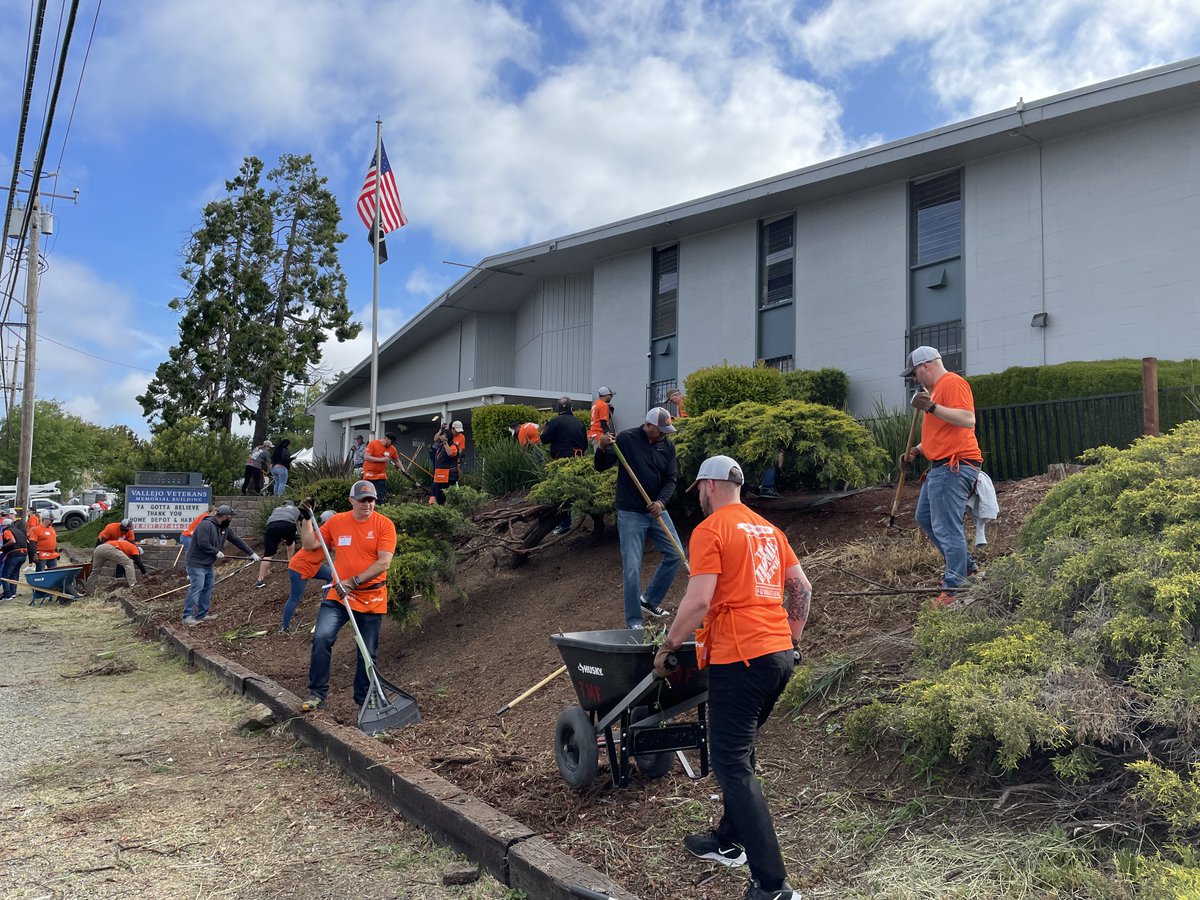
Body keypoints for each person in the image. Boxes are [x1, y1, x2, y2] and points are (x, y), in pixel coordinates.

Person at [653, 454, 811, 900]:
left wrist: (668, 648)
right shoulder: (770, 530)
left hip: (739, 658)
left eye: (699, 489)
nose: (699, 498)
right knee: (739, 753)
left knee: (731, 764)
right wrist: (790, 641)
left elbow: (699, 600)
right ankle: (729, 842)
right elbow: (801, 588)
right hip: (777, 653)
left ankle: (773, 885)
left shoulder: (711, 530)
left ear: (710, 486)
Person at [300, 480, 397, 711]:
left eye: (371, 499)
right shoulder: (337, 521)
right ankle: (317, 694)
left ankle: (364, 700)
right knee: (322, 638)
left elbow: (384, 562)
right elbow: (309, 543)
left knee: (367, 653)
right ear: (351, 500)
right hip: (339, 597)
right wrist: (304, 517)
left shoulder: (384, 525)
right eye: (362, 500)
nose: (368, 504)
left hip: (370, 598)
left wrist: (354, 581)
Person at [900, 346, 983, 607]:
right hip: (940, 466)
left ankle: (955, 587)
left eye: (915, 373)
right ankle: (965, 568)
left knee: (947, 528)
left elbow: (967, 420)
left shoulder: (952, 383)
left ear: (925, 366)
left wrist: (933, 407)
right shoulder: (935, 391)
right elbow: (943, 432)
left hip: (953, 467)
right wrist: (916, 450)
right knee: (924, 517)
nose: (915, 379)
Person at [594, 407, 682, 627]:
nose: (664, 434)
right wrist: (603, 446)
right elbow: (600, 466)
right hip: (631, 512)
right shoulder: (627, 439)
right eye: (660, 430)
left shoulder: (667, 447)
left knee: (676, 555)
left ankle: (649, 600)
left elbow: (671, 478)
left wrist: (661, 502)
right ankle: (634, 620)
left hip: (657, 511)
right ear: (648, 425)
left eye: (666, 431)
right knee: (632, 567)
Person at [183, 504, 259, 626]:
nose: (231, 519)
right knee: (197, 587)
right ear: (224, 516)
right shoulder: (205, 525)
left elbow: (237, 541)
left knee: (208, 588)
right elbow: (203, 543)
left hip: (208, 564)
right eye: (230, 517)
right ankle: (188, 616)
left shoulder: (225, 529)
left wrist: (251, 553)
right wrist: (216, 552)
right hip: (196, 563)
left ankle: (201, 614)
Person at [281, 509, 335, 633]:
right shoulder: (321, 534)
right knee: (295, 597)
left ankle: (326, 602)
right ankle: (285, 628)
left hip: (314, 565)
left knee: (332, 576)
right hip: (300, 566)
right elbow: (308, 545)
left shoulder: (330, 534)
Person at [540, 397, 589, 534]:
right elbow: (585, 444)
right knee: (577, 490)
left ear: (558, 409)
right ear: (571, 408)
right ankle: (584, 515)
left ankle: (564, 524)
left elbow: (544, 440)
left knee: (562, 492)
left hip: (562, 461)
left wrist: (544, 429)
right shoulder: (579, 422)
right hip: (579, 460)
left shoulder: (555, 422)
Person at [254, 500, 301, 588]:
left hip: (272, 527)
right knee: (290, 543)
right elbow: (301, 522)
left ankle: (260, 580)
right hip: (288, 525)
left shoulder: (277, 509)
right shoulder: (296, 509)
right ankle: (290, 563)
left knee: (268, 555)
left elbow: (272, 519)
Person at [363, 432, 403, 503]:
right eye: (391, 442)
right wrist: (381, 460)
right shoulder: (373, 444)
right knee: (368, 494)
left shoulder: (392, 449)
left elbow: (396, 460)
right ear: (387, 439)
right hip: (369, 474)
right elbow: (366, 457)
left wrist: (403, 470)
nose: (392, 444)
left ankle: (379, 508)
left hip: (381, 475)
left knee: (380, 495)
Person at [27, 517, 58, 602]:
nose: (52, 522)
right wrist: (35, 554)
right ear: (45, 519)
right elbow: (32, 543)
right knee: (40, 573)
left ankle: (51, 591)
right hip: (41, 555)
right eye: (51, 520)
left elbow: (54, 541)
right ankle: (40, 591)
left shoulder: (52, 529)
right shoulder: (37, 530)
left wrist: (56, 551)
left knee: (54, 573)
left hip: (52, 555)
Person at [428, 426, 460, 505]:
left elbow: (450, 453)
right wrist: (440, 430)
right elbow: (435, 439)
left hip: (448, 476)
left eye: (444, 435)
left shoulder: (453, 446)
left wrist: (445, 442)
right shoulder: (441, 446)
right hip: (439, 475)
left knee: (444, 495)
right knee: (437, 494)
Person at [0, 516, 28, 601]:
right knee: (15, 574)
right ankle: (13, 593)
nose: (2, 528)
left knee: (5, 575)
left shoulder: (7, 531)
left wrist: (2, 547)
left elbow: (12, 541)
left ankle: (7, 595)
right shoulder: (19, 531)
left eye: (2, 526)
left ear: (6, 525)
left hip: (14, 554)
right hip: (23, 554)